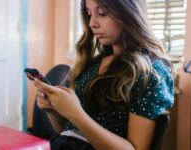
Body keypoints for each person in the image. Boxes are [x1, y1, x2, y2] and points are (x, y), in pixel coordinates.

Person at [31, 0, 174, 149]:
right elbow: (69, 132)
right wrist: (53, 110)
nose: (92, 23)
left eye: (102, 13)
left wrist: (76, 114)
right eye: (89, 13)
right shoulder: (92, 66)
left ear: (130, 13)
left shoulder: (151, 73)